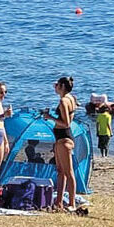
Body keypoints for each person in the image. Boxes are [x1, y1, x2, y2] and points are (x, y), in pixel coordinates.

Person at [46, 76, 80, 212]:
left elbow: (66, 123)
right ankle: (58, 202)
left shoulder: (64, 101)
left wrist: (50, 118)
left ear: (62, 87)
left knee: (68, 172)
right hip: (61, 138)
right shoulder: (71, 98)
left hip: (64, 137)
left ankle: (72, 203)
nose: (55, 86)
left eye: (57, 85)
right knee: (60, 172)